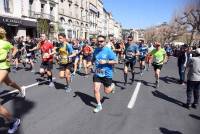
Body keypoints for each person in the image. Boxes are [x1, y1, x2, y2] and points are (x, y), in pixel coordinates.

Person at [0, 27, 25, 133]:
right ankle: (20, 89)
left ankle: (14, 121)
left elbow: (15, 49)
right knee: (9, 82)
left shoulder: (5, 42)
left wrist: (10, 57)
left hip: (3, 67)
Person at [92, 35, 118, 113]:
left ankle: (112, 86)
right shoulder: (96, 50)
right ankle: (99, 105)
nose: (100, 43)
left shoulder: (108, 50)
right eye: (98, 41)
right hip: (98, 72)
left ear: (105, 42)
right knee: (96, 89)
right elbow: (94, 58)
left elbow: (116, 61)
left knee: (106, 92)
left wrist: (106, 61)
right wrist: (90, 63)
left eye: (101, 41)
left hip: (107, 74)